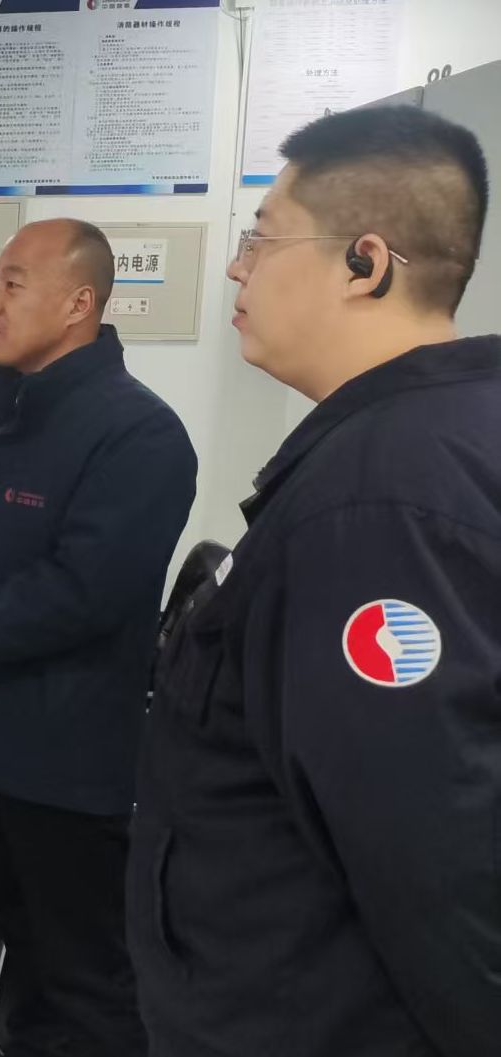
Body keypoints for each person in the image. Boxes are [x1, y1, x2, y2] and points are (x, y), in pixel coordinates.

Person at [130, 107, 501, 1057]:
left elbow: (429, 853)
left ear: (364, 264)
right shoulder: (437, 437)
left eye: (262, 238)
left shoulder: (379, 502)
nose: (237, 269)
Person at [0, 219, 197, 1057]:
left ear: (78, 304)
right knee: (18, 941)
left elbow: (81, 589)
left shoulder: (139, 433)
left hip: (64, 759)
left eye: (12, 284)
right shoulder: (2, 410)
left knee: (86, 981)